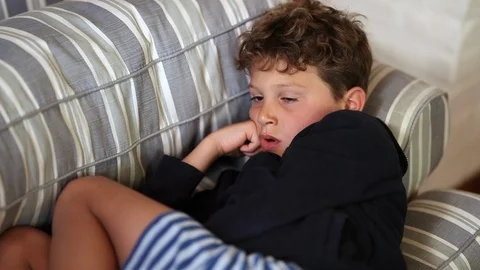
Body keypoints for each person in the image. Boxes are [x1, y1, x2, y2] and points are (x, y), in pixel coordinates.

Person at [0, 0, 408, 269]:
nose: (264, 114)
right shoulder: (250, 180)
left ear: (349, 102)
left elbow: (252, 224)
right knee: (20, 246)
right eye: (256, 96)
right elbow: (149, 210)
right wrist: (209, 148)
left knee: (83, 194)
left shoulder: (357, 136)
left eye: (287, 98)